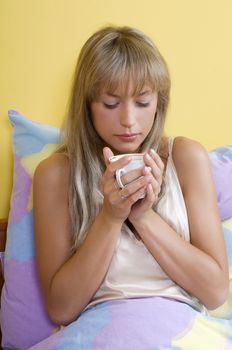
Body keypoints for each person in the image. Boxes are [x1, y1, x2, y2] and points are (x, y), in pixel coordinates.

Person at [33, 26, 229, 327]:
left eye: (142, 102)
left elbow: (215, 292)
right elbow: (61, 308)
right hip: (98, 334)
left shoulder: (186, 158)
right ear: (86, 105)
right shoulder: (55, 174)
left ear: (159, 102)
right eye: (111, 103)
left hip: (182, 331)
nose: (128, 121)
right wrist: (110, 217)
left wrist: (143, 216)